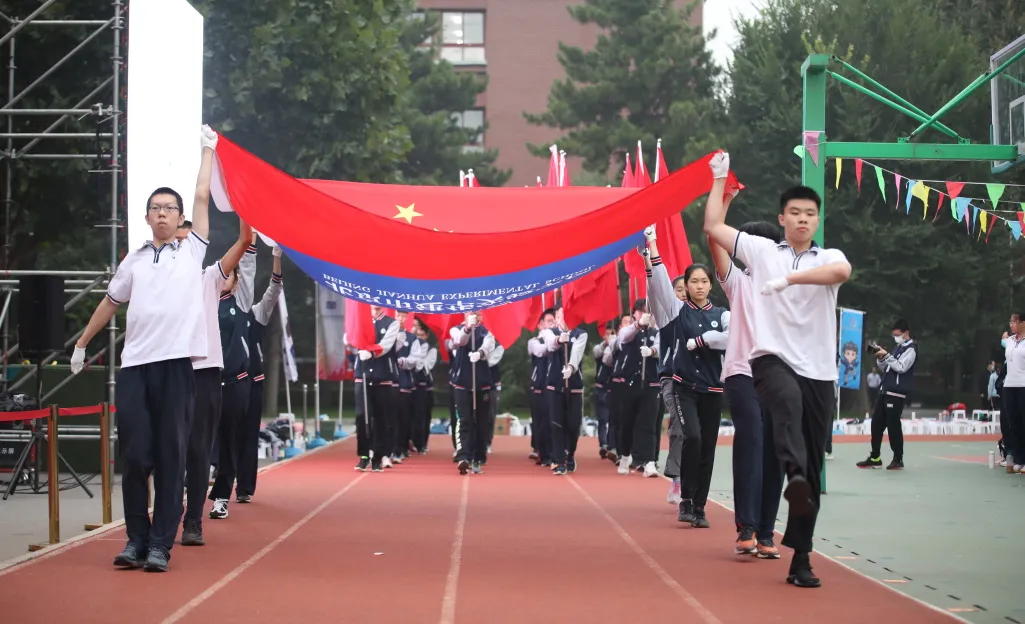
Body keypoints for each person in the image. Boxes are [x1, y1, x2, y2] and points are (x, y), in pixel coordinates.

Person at [70, 125, 218, 572]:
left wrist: (207, 152)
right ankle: (135, 540)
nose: (161, 214)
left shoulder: (191, 251)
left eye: (168, 209)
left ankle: (160, 544)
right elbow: (110, 303)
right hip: (135, 368)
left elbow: (201, 197)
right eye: (154, 209)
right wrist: (81, 343)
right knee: (135, 456)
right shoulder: (133, 259)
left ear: (179, 218)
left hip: (175, 368)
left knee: (172, 457)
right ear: (147, 216)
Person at [704, 152, 851, 589]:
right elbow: (713, 227)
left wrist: (790, 281)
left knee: (809, 469)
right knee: (783, 403)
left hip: (819, 372)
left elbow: (842, 271)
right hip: (770, 361)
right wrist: (717, 181)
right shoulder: (762, 250)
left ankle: (800, 558)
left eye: (811, 214)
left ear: (817, 220)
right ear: (782, 218)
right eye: (795, 213)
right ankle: (794, 476)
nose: (803, 220)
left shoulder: (829, 256)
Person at [708, 213, 785, 558]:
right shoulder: (738, 282)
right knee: (751, 441)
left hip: (779, 377)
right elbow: (715, 238)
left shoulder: (789, 284)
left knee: (775, 452)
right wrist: (723, 203)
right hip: (742, 373)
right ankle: (748, 527)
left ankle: (767, 531)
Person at [177, 216, 253, 547]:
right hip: (168, 372)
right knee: (165, 451)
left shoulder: (209, 278)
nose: (180, 247)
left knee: (199, 451)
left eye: (186, 241)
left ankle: (193, 520)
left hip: (207, 374)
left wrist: (244, 215)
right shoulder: (155, 279)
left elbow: (241, 245)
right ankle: (158, 523)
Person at [646, 247, 729, 528]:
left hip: (713, 390)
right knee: (692, 438)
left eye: (704, 281)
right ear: (686, 286)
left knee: (707, 448)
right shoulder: (678, 312)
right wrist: (653, 251)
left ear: (710, 284)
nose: (699, 286)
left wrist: (706, 340)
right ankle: (686, 498)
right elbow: (659, 284)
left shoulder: (722, 314)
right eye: (693, 282)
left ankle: (700, 506)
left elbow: (734, 338)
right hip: (685, 388)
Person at [206, 242, 259, 519]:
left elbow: (248, 268)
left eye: (230, 274)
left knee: (229, 442)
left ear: (237, 282)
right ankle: (189, 489)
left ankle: (222, 497)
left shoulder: (239, 301)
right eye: (221, 273)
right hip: (205, 382)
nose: (224, 278)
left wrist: (249, 241)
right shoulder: (203, 303)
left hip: (235, 383)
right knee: (196, 440)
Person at [234, 240, 283, 503]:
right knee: (226, 433)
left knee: (249, 434)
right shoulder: (224, 311)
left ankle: (244, 487)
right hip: (229, 382)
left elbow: (274, 290)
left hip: (253, 382)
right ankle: (220, 476)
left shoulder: (257, 313)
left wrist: (276, 257)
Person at [857, 319, 917, 471]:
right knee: (876, 424)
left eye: (898, 334)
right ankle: (875, 457)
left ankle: (898, 459)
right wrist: (880, 356)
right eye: (894, 335)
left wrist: (887, 355)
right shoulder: (897, 348)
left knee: (893, 426)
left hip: (896, 393)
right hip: (884, 390)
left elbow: (901, 367)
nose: (895, 337)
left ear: (906, 333)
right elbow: (887, 368)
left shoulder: (911, 348)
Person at [611, 297, 661, 477]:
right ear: (635, 314)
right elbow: (622, 338)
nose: (645, 314)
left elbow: (662, 347)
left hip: (651, 385)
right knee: (627, 424)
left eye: (648, 311)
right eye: (640, 311)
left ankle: (649, 462)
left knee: (648, 424)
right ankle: (625, 454)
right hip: (630, 385)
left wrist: (653, 352)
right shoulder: (629, 331)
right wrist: (638, 324)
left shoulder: (657, 332)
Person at [541, 305, 588, 475]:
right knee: (556, 423)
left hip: (574, 385)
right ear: (557, 318)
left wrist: (571, 367)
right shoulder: (549, 332)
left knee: (573, 424)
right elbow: (550, 345)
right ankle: (559, 459)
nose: (564, 319)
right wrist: (560, 340)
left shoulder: (581, 333)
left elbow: (577, 351)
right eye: (561, 316)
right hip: (555, 384)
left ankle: (570, 454)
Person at [354, 306, 400, 472]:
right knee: (362, 416)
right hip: (363, 374)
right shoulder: (360, 320)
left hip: (383, 376)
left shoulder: (391, 323)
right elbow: (350, 339)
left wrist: (372, 353)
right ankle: (364, 454)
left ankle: (378, 456)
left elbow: (386, 344)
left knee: (381, 418)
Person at [450, 311, 496, 474]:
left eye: (478, 314)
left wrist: (480, 353)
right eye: (471, 313)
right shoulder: (456, 329)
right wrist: (468, 328)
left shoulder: (487, 332)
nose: (475, 316)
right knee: (464, 419)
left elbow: (488, 348)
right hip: (462, 383)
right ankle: (463, 455)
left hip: (481, 383)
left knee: (481, 421)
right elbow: (459, 341)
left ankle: (478, 455)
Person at [528, 309, 556, 465]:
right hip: (539, 386)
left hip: (554, 384)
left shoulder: (558, 339)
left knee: (554, 420)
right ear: (540, 325)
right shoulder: (534, 342)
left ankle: (554, 452)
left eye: (553, 321)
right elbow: (540, 352)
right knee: (541, 422)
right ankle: (543, 452)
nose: (551, 324)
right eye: (548, 321)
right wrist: (550, 340)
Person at [1000, 315, 1025, 474]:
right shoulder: (1009, 341)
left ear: (1023, 323)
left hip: (1023, 385)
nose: (1011, 325)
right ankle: (1018, 458)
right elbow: (1003, 341)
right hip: (1009, 385)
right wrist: (1004, 338)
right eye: (1010, 322)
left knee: (1024, 421)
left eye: (1014, 322)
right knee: (1013, 423)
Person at [410, 319, 437, 454]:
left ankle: (421, 443)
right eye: (415, 329)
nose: (418, 335)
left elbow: (425, 366)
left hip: (422, 386)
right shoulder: (409, 344)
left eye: (421, 334)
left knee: (422, 416)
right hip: (409, 384)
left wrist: (414, 360)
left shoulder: (431, 350)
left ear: (426, 335)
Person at [593, 322, 617, 458]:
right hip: (601, 387)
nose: (609, 337)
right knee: (602, 419)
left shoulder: (619, 346)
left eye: (611, 334)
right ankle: (603, 444)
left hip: (613, 387)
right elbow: (597, 353)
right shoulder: (600, 348)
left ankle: (610, 444)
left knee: (613, 418)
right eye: (607, 334)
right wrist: (606, 344)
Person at [487, 340, 506, 454]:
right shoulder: (474, 341)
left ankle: (487, 442)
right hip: (475, 383)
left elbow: (490, 361)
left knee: (490, 415)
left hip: (492, 384)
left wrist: (479, 355)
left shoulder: (498, 346)